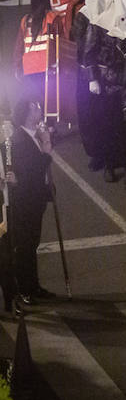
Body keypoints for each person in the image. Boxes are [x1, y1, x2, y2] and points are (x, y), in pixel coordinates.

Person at [5, 99, 53, 303]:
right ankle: (24, 289)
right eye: (34, 108)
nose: (39, 110)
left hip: (34, 198)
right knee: (25, 246)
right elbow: (33, 170)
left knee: (31, 244)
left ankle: (33, 286)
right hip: (25, 202)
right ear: (26, 113)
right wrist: (47, 145)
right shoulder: (20, 140)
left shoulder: (30, 136)